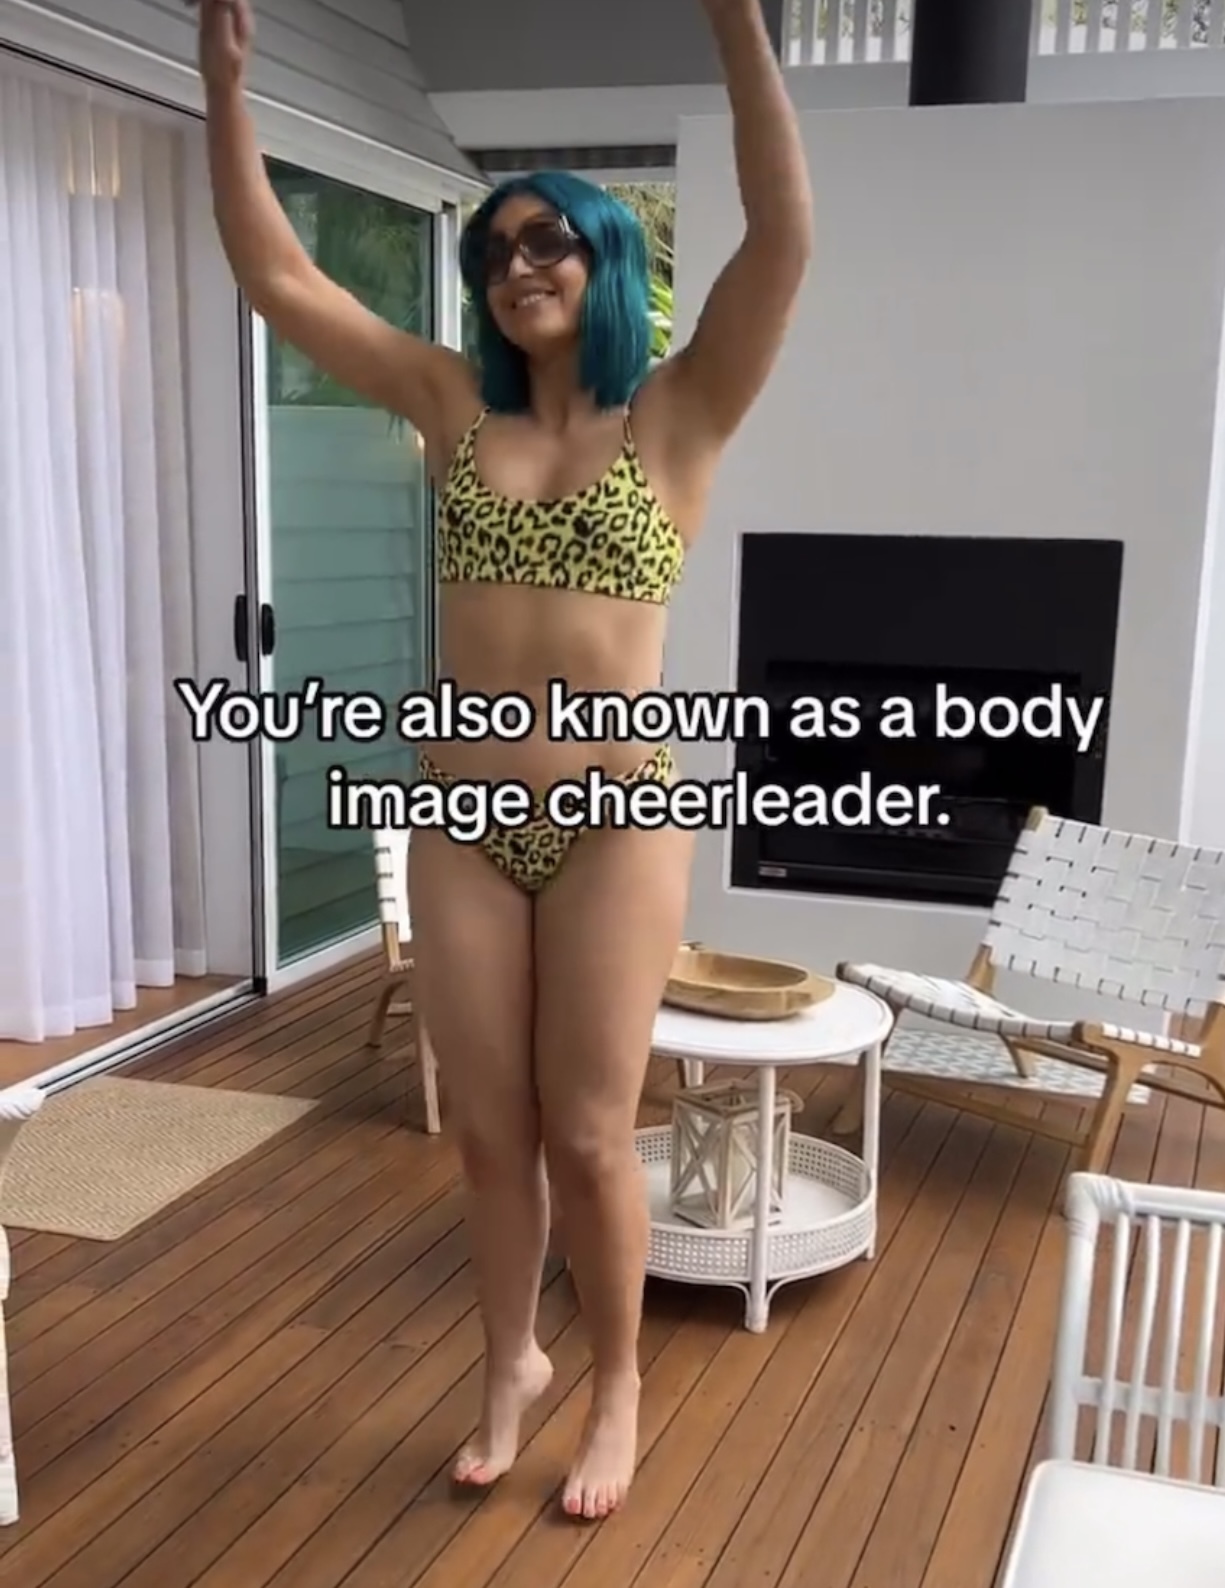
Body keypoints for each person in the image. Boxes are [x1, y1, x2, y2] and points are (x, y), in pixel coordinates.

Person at [194, 0, 812, 1522]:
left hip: (618, 813)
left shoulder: (677, 414)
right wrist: (224, 87)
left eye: (548, 241)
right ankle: (508, 1365)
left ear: (605, 260)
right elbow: (278, 277)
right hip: (465, 812)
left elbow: (782, 238)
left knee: (591, 1131)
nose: (517, 264)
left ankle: (616, 1386)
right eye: (496, 249)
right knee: (489, 1133)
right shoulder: (451, 406)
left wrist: (738, 25)